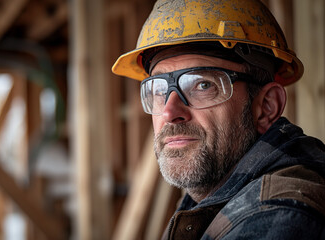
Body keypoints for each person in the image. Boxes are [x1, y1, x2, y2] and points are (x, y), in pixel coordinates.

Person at [112, 0, 325, 239]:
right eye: (159, 90)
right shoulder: (213, 200)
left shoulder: (278, 221)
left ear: (266, 107)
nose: (170, 113)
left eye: (203, 85)